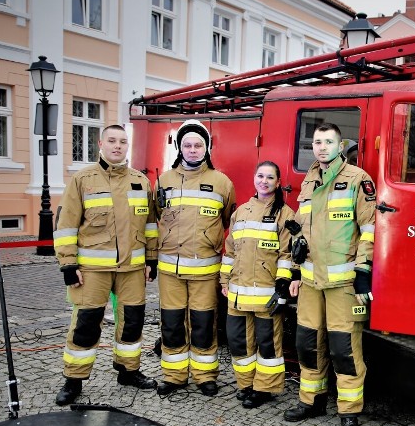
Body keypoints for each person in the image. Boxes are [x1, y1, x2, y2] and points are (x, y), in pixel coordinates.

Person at [53, 124, 159, 405]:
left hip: (132, 270)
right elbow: (66, 225)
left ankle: (128, 371)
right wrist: (67, 263)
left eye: (123, 141)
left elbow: (149, 224)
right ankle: (73, 380)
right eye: (112, 141)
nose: (117, 146)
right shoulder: (83, 179)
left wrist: (151, 258)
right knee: (86, 324)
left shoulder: (140, 181)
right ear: (100, 143)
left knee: (132, 323)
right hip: (91, 271)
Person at [284, 123, 376, 426]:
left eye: (328, 142)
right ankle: (312, 401)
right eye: (317, 142)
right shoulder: (309, 181)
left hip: (344, 282)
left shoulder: (358, 179)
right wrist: (296, 258)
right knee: (307, 344)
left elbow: (370, 229)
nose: (321, 147)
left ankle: (349, 412)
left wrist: (364, 273)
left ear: (340, 147)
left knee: (344, 349)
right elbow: (301, 226)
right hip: (310, 279)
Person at [154, 119, 236, 397]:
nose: (192, 150)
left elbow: (227, 222)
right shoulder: (163, 180)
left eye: (198, 144)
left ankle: (205, 376)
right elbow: (155, 219)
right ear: (179, 147)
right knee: (172, 324)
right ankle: (174, 376)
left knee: (203, 325)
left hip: (205, 270)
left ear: (207, 148)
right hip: (169, 271)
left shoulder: (222, 183)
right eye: (187, 145)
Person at [220, 161, 294, 408]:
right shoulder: (240, 212)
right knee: (239, 340)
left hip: (266, 295)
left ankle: (265, 388)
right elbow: (230, 250)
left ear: (278, 182)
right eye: (260, 176)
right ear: (254, 179)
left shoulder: (285, 214)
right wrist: (224, 280)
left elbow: (287, 254)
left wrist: (282, 288)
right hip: (238, 293)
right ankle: (247, 384)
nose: (264, 181)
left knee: (267, 344)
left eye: (270, 177)